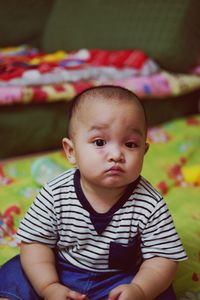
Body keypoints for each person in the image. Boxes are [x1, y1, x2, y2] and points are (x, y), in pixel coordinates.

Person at [0, 85, 187, 300]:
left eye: (130, 144)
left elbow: (163, 258)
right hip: (60, 268)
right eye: (100, 142)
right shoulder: (55, 193)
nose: (116, 154)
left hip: (121, 279)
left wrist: (140, 290)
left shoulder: (150, 204)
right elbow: (36, 243)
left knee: (160, 287)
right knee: (17, 272)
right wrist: (49, 286)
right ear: (71, 151)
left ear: (144, 151)